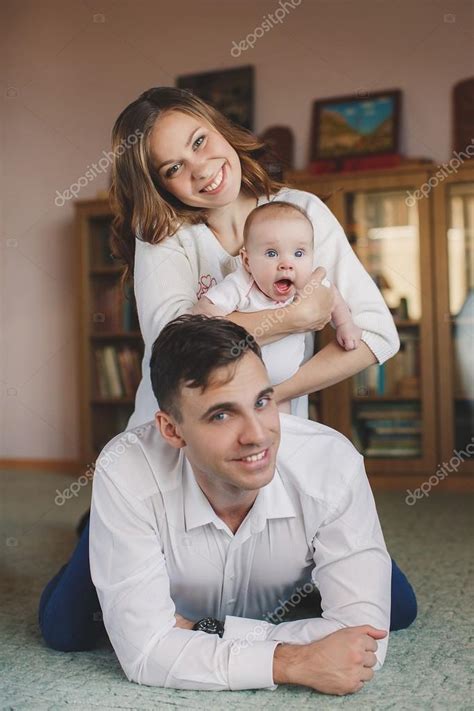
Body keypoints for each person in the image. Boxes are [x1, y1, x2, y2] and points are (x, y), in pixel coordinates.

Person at [38, 87, 415, 652]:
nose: (203, 170)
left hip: (267, 443)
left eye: (200, 142)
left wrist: (267, 398)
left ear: (219, 128)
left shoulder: (303, 213)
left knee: (398, 609)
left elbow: (376, 335)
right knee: (67, 631)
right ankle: (107, 523)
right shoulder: (163, 233)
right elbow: (174, 343)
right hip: (178, 447)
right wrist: (296, 316)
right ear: (160, 183)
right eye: (175, 167)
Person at [90, 315, 390, 694]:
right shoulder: (126, 471)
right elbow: (146, 652)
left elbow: (364, 644)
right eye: (221, 414)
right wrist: (292, 661)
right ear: (171, 429)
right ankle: (95, 527)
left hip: (303, 550)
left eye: (262, 401)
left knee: (400, 608)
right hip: (140, 525)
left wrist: (206, 630)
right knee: (65, 627)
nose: (257, 435)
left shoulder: (331, 465)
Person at [193, 200, 362, 412]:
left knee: (282, 433)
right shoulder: (241, 284)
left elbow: (333, 296)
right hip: (237, 385)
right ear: (247, 261)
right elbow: (203, 310)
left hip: (283, 389)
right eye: (272, 253)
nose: (286, 263)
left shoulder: (309, 284)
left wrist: (345, 324)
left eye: (298, 253)